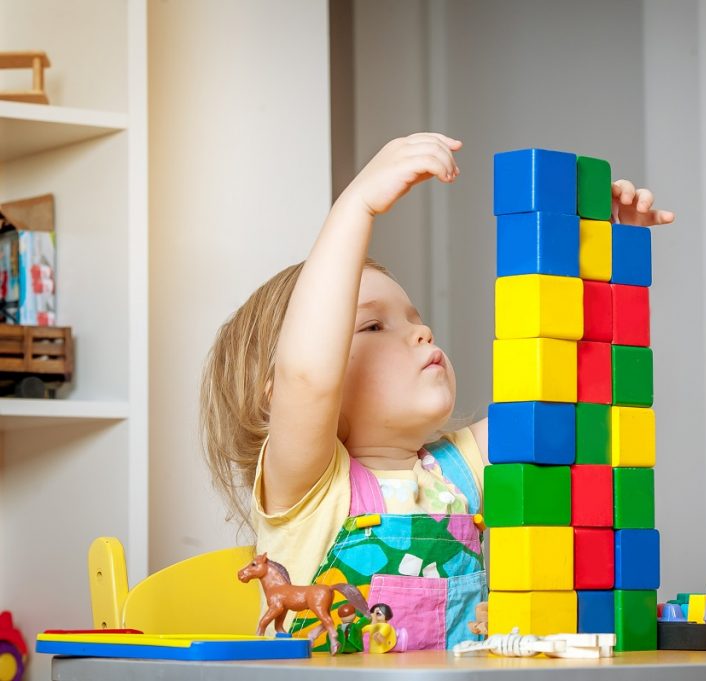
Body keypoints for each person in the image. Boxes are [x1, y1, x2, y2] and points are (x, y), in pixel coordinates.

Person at [201, 132, 674, 650]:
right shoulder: (309, 487)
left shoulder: (462, 468)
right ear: (277, 396)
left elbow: (570, 394)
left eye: (415, 318)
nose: (421, 332)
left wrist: (604, 258)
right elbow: (307, 377)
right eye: (373, 326)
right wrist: (356, 206)